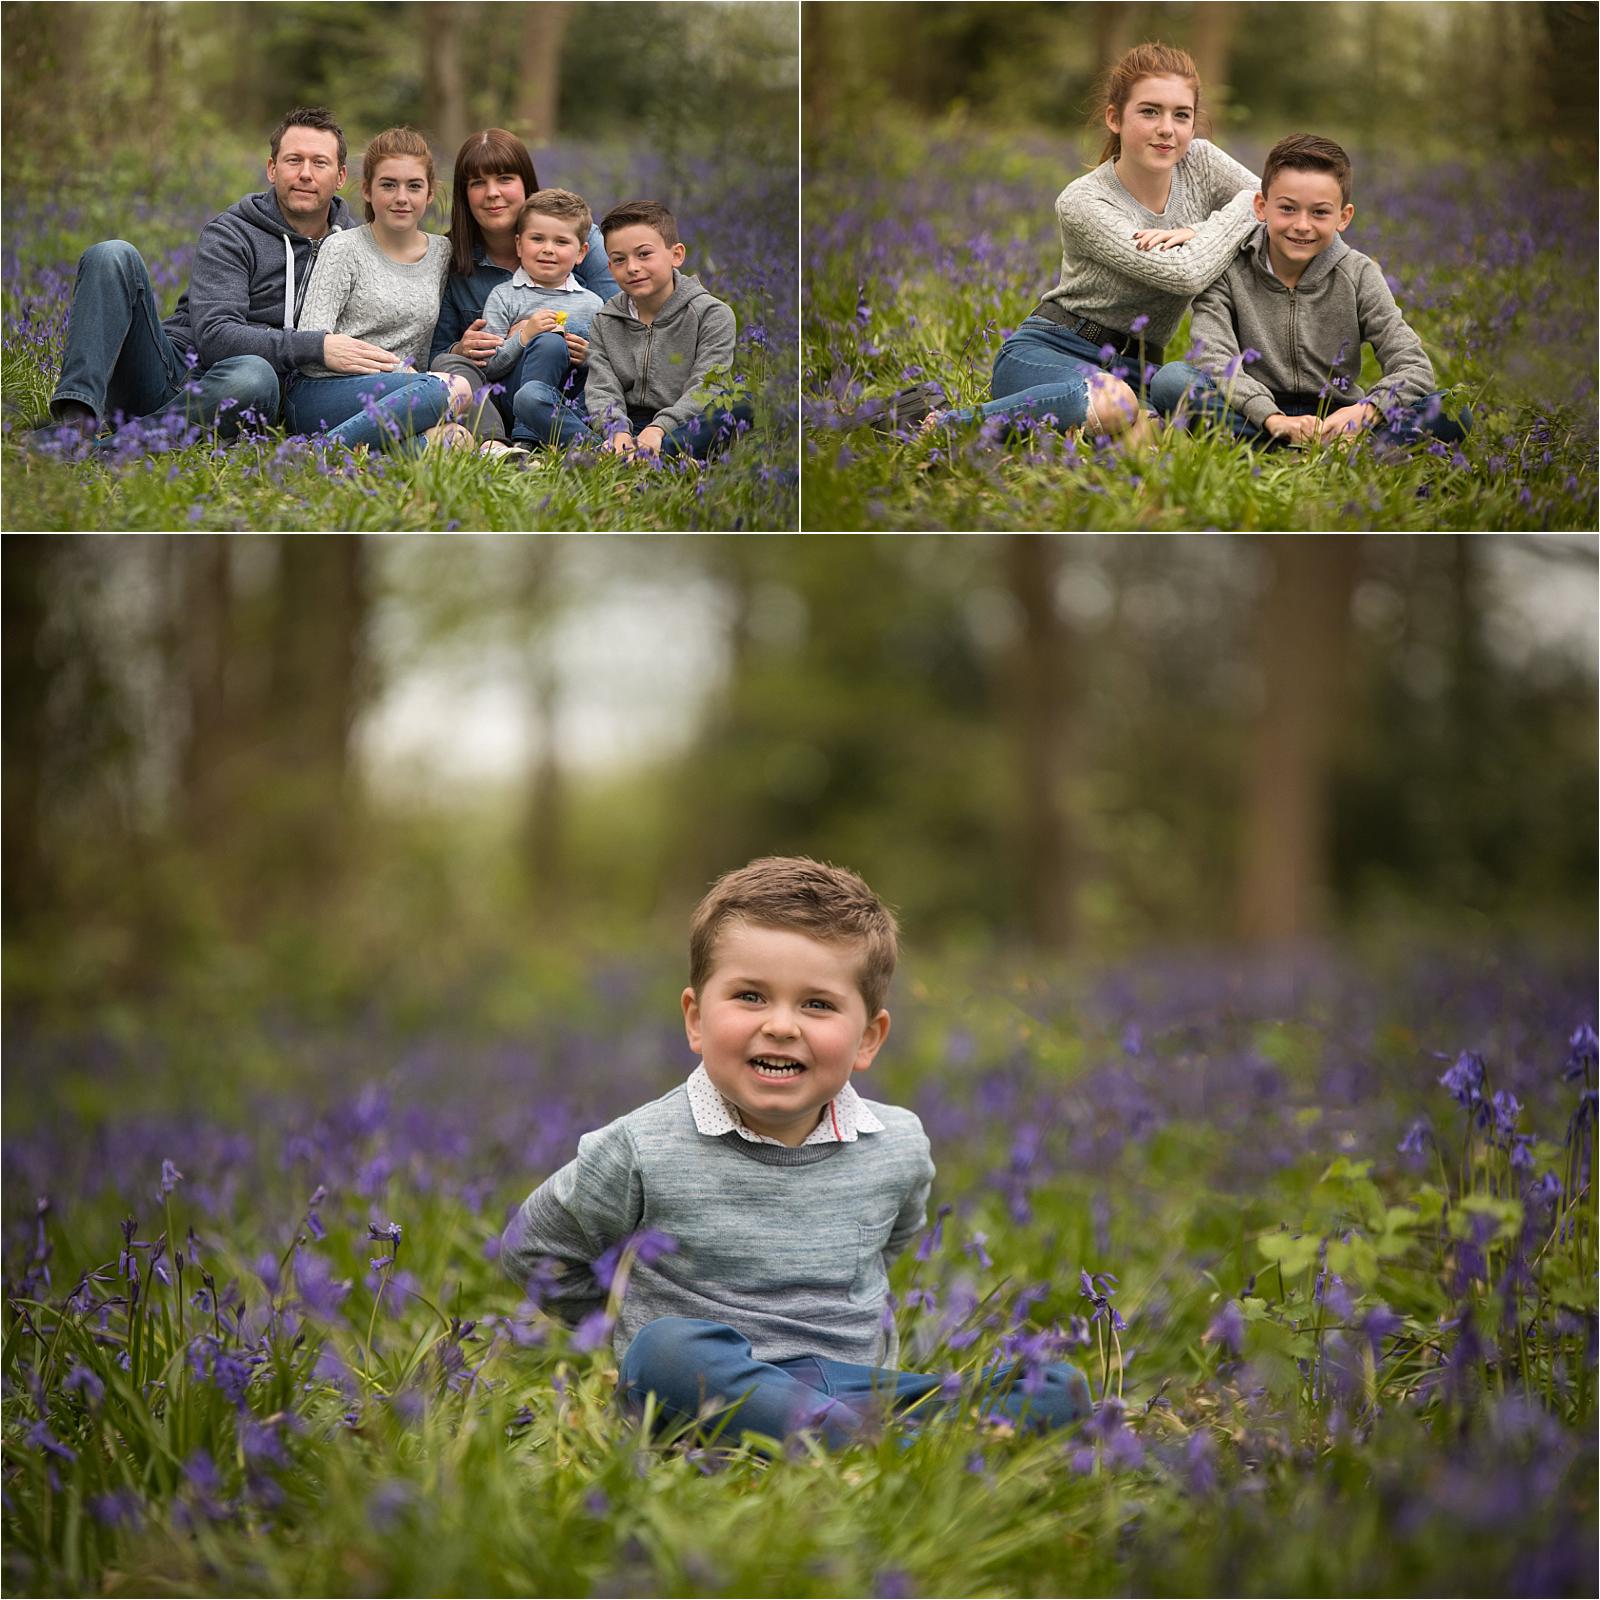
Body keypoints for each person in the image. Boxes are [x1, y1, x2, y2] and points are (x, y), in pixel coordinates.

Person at [500, 856, 1092, 1451]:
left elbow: (895, 1238)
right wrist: (617, 1331)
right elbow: (534, 1248)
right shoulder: (639, 1147)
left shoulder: (898, 1144)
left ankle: (860, 1440)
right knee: (663, 1349)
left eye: (817, 1005)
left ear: (868, 1039)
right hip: (706, 1386)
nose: (781, 1025)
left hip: (858, 1389)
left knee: (1057, 1385)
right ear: (696, 1019)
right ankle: (899, 1449)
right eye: (751, 996)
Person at [916, 42, 1258, 449]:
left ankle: (1050, 442)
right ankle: (942, 426)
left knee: (1157, 442)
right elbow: (1183, 273)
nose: (1167, 128)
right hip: (1053, 350)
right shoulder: (1083, 201)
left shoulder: (1199, 161)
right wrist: (1233, 221)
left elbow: (1276, 200)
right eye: (1150, 111)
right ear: (1115, 118)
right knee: (1115, 403)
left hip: (1137, 370)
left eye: (1181, 115)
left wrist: (1199, 230)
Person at [30, 107, 386, 454]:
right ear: (272, 169)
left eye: (319, 163)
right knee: (111, 254)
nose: (305, 174)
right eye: (294, 161)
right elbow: (216, 337)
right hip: (168, 374)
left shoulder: (353, 248)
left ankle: (109, 448)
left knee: (253, 375)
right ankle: (74, 425)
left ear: (340, 177)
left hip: (242, 397)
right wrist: (318, 347)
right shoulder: (232, 233)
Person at [1147, 134, 1471, 450]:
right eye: (1287, 209)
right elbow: (1215, 359)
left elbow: (1412, 364)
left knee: (1454, 408)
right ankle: (1309, 445)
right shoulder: (1228, 269)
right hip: (1253, 411)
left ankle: (1308, 444)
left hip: (1335, 416)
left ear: (1343, 217)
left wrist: (1365, 412)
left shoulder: (1358, 274)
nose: (1302, 225)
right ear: (1261, 207)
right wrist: (1272, 418)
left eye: (1319, 212)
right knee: (1171, 382)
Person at [427, 130, 619, 457]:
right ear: (464, 195)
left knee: (549, 345)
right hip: (496, 398)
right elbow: (435, 357)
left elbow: (621, 324)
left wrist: (585, 347)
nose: (492, 194)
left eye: (505, 178)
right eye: (477, 183)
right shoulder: (454, 259)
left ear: (526, 183)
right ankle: (498, 446)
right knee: (449, 361)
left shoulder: (577, 237)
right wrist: (463, 348)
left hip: (570, 392)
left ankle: (576, 439)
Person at [287, 125, 470, 454]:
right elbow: (311, 351)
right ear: (368, 191)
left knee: (456, 440)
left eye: (414, 186)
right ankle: (319, 454)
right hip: (323, 393)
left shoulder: (442, 253)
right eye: (388, 185)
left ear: (429, 194)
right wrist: (400, 371)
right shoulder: (343, 248)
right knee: (457, 389)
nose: (401, 197)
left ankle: (355, 451)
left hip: (406, 395)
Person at [586, 200, 754, 461]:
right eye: (619, 259)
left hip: (682, 423)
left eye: (644, 254)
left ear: (676, 255)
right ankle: (635, 455)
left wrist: (659, 428)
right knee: (535, 399)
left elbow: (705, 386)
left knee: (743, 402)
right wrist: (616, 429)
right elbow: (602, 387)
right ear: (610, 267)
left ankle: (636, 457)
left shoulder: (712, 315)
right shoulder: (605, 319)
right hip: (625, 424)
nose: (632, 267)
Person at [479, 190, 605, 452]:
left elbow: (608, 369)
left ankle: (581, 442)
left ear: (581, 252)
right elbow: (488, 367)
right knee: (548, 342)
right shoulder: (505, 296)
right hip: (513, 402)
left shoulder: (592, 304)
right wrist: (524, 337)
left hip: (567, 406)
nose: (548, 249)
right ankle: (527, 436)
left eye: (561, 242)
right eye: (537, 239)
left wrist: (588, 357)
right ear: (519, 245)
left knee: (572, 343)